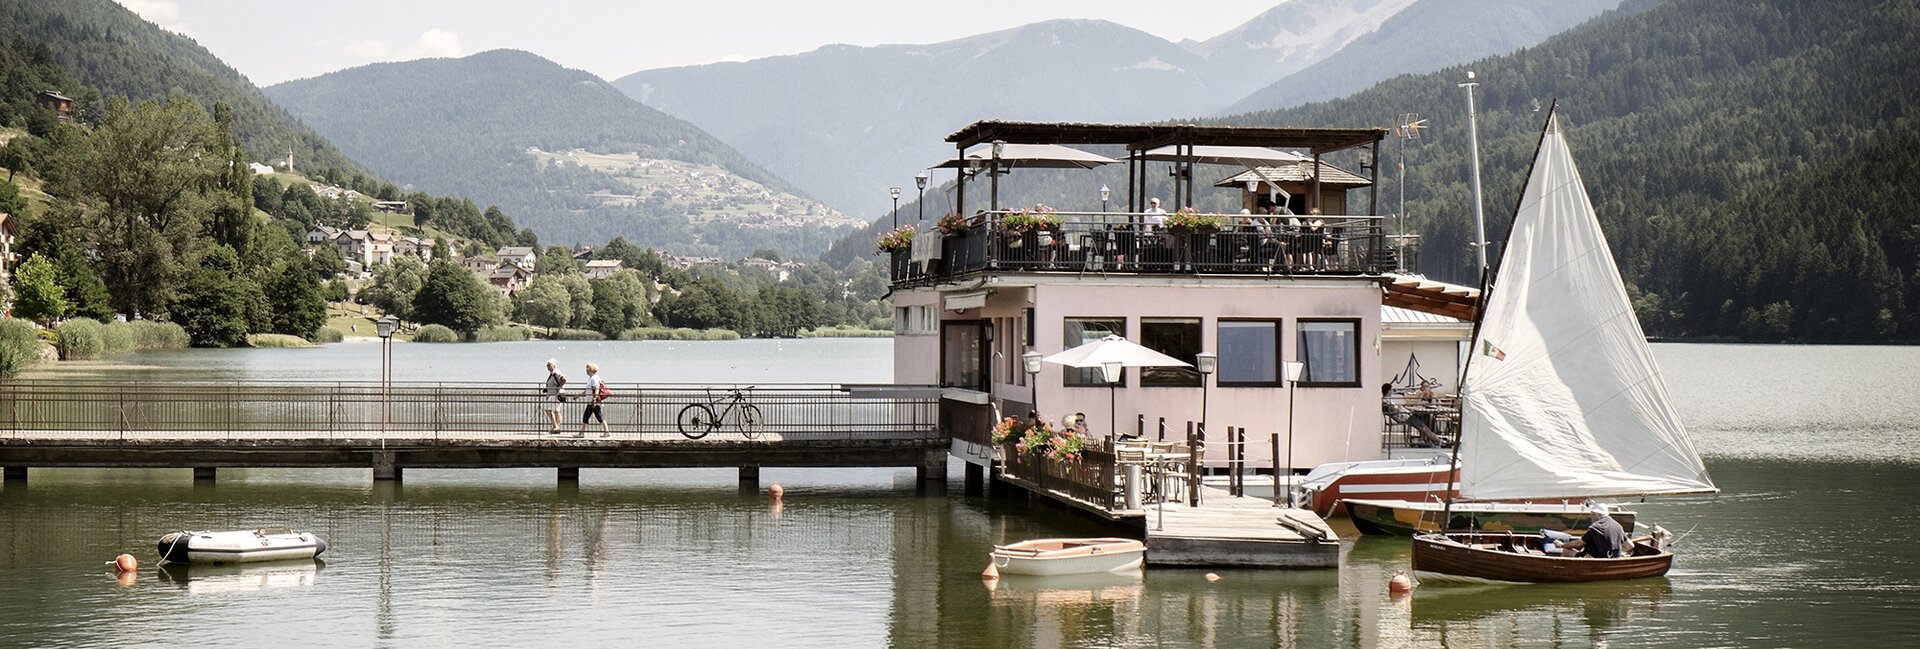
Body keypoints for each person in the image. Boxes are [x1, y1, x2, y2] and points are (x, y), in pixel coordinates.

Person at [1557, 502, 1632, 558]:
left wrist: (1562, 545)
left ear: (1596, 514)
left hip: (1595, 558)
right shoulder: (1617, 525)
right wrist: (1617, 552)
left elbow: (1580, 543)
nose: (1590, 516)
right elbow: (1630, 545)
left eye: (1592, 514)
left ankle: (1562, 570)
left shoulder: (1595, 527)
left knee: (1566, 551)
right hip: (1614, 558)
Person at [576, 362, 610, 438]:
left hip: (593, 401)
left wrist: (594, 399)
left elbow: (596, 389)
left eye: (587, 369)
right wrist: (578, 396)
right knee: (589, 416)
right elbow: (588, 390)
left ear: (591, 370)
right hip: (591, 401)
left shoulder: (594, 379)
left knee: (598, 416)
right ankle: (582, 433)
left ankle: (606, 432)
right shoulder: (592, 378)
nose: (586, 370)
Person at [541, 359, 567, 434]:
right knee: (556, 411)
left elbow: (564, 379)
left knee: (548, 410)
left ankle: (555, 426)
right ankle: (556, 428)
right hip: (554, 394)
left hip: (554, 394)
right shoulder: (552, 373)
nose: (548, 367)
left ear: (554, 366)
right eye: (547, 365)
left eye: (549, 365)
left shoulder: (556, 372)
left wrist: (558, 387)